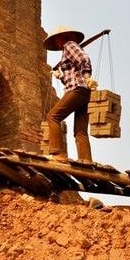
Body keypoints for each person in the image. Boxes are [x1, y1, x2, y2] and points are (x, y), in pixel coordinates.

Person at [43, 25, 97, 162]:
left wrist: (87, 76)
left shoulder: (69, 45)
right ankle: (86, 160)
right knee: (80, 130)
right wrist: (59, 76)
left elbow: (84, 58)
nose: (56, 43)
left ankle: (57, 153)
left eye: (57, 39)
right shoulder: (67, 50)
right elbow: (71, 77)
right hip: (83, 91)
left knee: (52, 117)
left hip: (77, 90)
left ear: (64, 37)